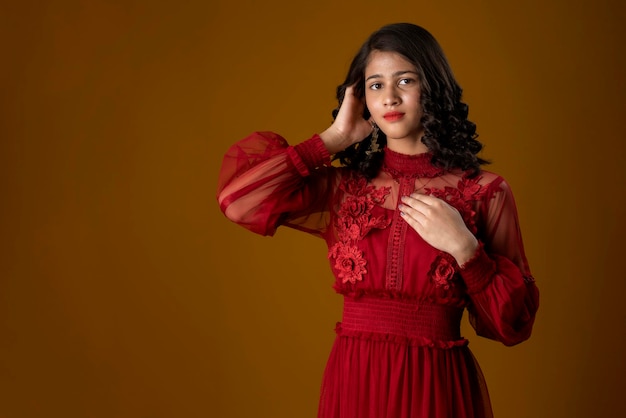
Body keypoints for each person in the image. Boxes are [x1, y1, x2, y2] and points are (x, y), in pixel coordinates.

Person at [217, 22, 539, 418]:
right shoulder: (343, 187)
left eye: (405, 81)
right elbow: (238, 202)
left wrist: (465, 248)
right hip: (355, 380)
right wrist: (333, 139)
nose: (389, 97)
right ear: (361, 99)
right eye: (375, 85)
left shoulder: (484, 191)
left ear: (433, 88)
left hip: (435, 384)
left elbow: (514, 325)